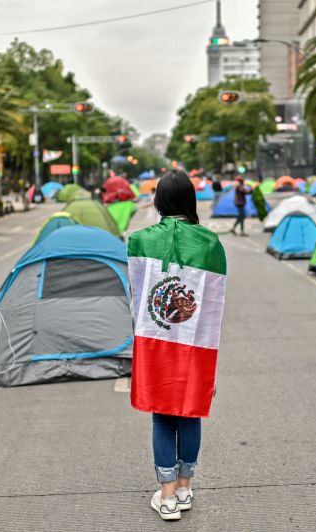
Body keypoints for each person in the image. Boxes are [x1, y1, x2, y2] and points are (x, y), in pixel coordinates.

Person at [127, 169, 227, 521]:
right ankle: (184, 488)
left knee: (162, 414)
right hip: (196, 343)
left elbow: (137, 297)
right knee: (190, 411)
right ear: (190, 199)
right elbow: (214, 303)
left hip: (155, 341)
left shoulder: (139, 241)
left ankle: (166, 496)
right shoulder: (210, 243)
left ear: (158, 200)